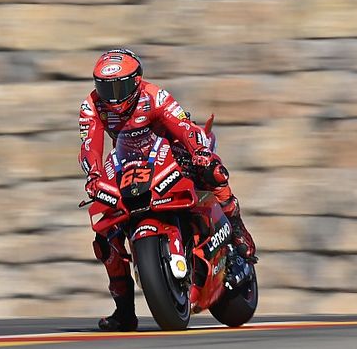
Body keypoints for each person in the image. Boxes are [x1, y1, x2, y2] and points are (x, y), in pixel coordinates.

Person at [79, 48, 256, 332]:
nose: (112, 96)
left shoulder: (154, 96)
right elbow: (90, 147)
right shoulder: (92, 105)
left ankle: (236, 230)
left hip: (169, 151)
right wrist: (94, 175)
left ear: (136, 81)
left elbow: (183, 127)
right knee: (104, 235)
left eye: (119, 86)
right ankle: (124, 312)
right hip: (128, 164)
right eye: (104, 87)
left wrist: (198, 151)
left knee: (213, 170)